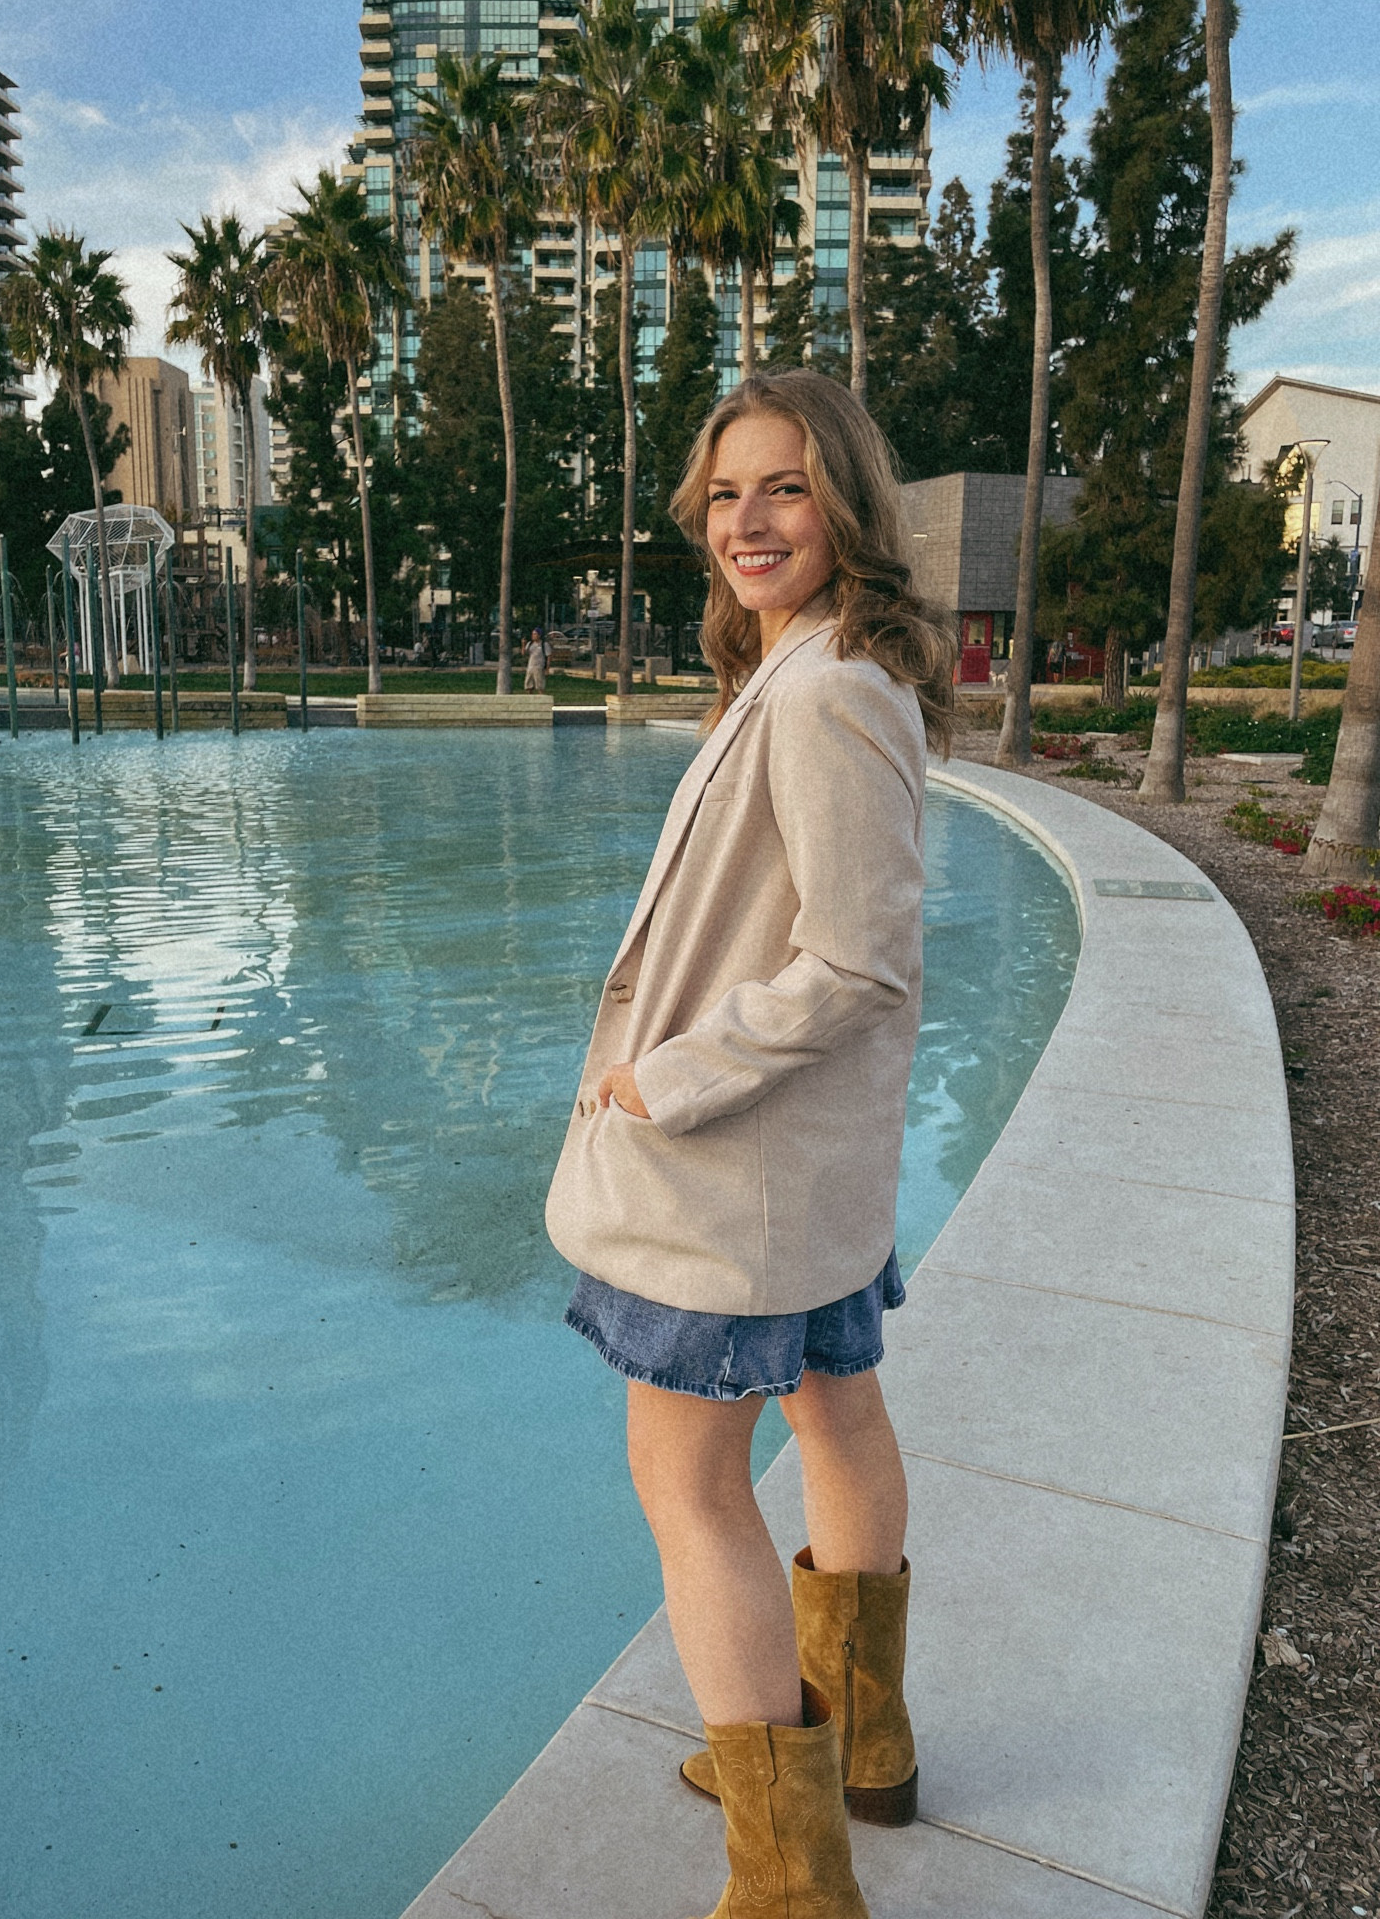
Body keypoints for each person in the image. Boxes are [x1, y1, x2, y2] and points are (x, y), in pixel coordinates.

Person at [546, 370, 955, 1918]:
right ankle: (858, 1744)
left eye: (783, 487)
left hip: (741, 1172)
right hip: (802, 1176)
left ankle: (789, 1877)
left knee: (685, 1477)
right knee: (834, 1408)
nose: (747, 520)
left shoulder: (834, 685)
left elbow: (860, 960)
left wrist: (669, 1081)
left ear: (844, 503)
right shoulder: (801, 669)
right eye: (725, 494)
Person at [524, 627, 547, 693]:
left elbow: (549, 656)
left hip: (539, 667)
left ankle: (541, 697)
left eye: (535, 634)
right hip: (530, 667)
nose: (533, 636)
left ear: (539, 635)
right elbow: (524, 653)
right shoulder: (530, 644)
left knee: (539, 685)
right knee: (529, 685)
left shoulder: (544, 645)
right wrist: (523, 644)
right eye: (532, 634)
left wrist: (547, 668)